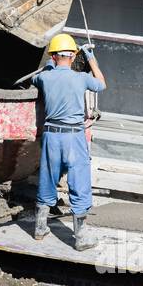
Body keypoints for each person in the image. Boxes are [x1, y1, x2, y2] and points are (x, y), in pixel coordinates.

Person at [32, 33, 106, 247]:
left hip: (51, 136)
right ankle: (81, 237)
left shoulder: (45, 77)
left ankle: (39, 228)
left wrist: (48, 67)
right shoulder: (81, 78)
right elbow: (102, 84)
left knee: (47, 178)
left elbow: (35, 78)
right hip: (74, 137)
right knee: (79, 181)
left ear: (54, 56)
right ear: (73, 56)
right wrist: (91, 58)